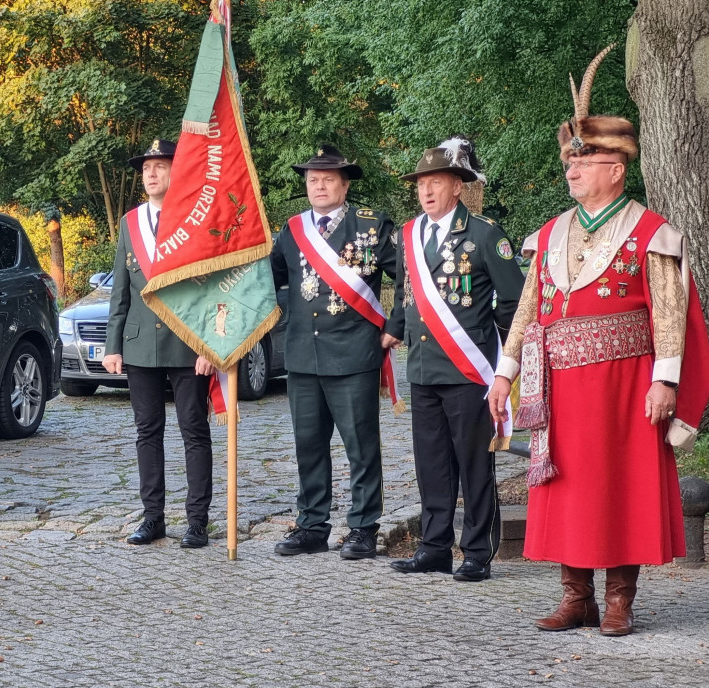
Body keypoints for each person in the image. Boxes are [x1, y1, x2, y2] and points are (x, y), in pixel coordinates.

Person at [489, 46, 709, 635]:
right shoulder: (549, 234)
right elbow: (529, 309)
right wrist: (504, 370)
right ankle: (575, 596)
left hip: (625, 382)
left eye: (584, 160)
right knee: (567, 487)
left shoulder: (651, 232)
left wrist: (666, 380)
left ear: (616, 168)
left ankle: (618, 599)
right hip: (560, 382)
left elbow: (671, 310)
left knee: (618, 486)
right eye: (569, 160)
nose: (572, 169)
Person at [383, 140, 525, 581]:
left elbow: (515, 300)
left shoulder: (485, 234)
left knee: (473, 463)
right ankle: (434, 546)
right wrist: (395, 330)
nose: (426, 191)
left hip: (469, 369)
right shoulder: (408, 235)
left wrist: (500, 354)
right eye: (421, 184)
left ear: (456, 188)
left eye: (436, 182)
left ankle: (478, 552)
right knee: (431, 461)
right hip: (423, 368)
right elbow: (408, 293)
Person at [269, 145, 398, 559]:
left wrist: (396, 326)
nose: (319, 186)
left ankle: (363, 528)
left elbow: (410, 275)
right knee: (308, 444)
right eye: (312, 180)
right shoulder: (291, 231)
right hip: (304, 356)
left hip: (354, 354)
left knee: (360, 446)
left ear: (344, 185)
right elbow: (265, 283)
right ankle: (312, 525)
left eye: (327, 179)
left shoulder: (372, 225)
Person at [103, 139, 216, 549]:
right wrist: (113, 344)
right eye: (146, 168)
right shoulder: (130, 223)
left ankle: (197, 521)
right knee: (146, 432)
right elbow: (121, 291)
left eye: (160, 167)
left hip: (187, 343)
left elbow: (210, 289)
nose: (151, 174)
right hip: (138, 345)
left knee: (193, 431)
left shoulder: (195, 219)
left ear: (177, 172)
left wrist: (208, 345)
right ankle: (153, 518)